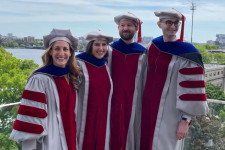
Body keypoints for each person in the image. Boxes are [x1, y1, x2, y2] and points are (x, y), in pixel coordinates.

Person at [140, 8, 209, 150]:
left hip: (171, 114)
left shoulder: (187, 53)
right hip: (147, 110)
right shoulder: (153, 46)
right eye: (168, 22)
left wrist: (185, 120)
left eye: (176, 23)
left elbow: (192, 90)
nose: (172, 26)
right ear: (160, 25)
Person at [10, 28, 80, 150]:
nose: (61, 53)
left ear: (70, 53)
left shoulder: (72, 77)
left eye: (65, 49)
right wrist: (31, 146)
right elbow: (31, 117)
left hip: (71, 136)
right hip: (50, 140)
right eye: (57, 48)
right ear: (50, 52)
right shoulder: (39, 79)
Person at [108, 12, 147, 150]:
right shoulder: (109, 50)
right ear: (118, 28)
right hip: (110, 102)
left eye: (129, 25)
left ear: (136, 29)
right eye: (122, 25)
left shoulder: (143, 53)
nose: (125, 28)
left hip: (135, 103)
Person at [76, 30, 113, 150]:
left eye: (104, 44)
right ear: (90, 46)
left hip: (103, 118)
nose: (101, 48)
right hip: (84, 117)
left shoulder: (105, 65)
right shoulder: (79, 63)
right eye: (97, 44)